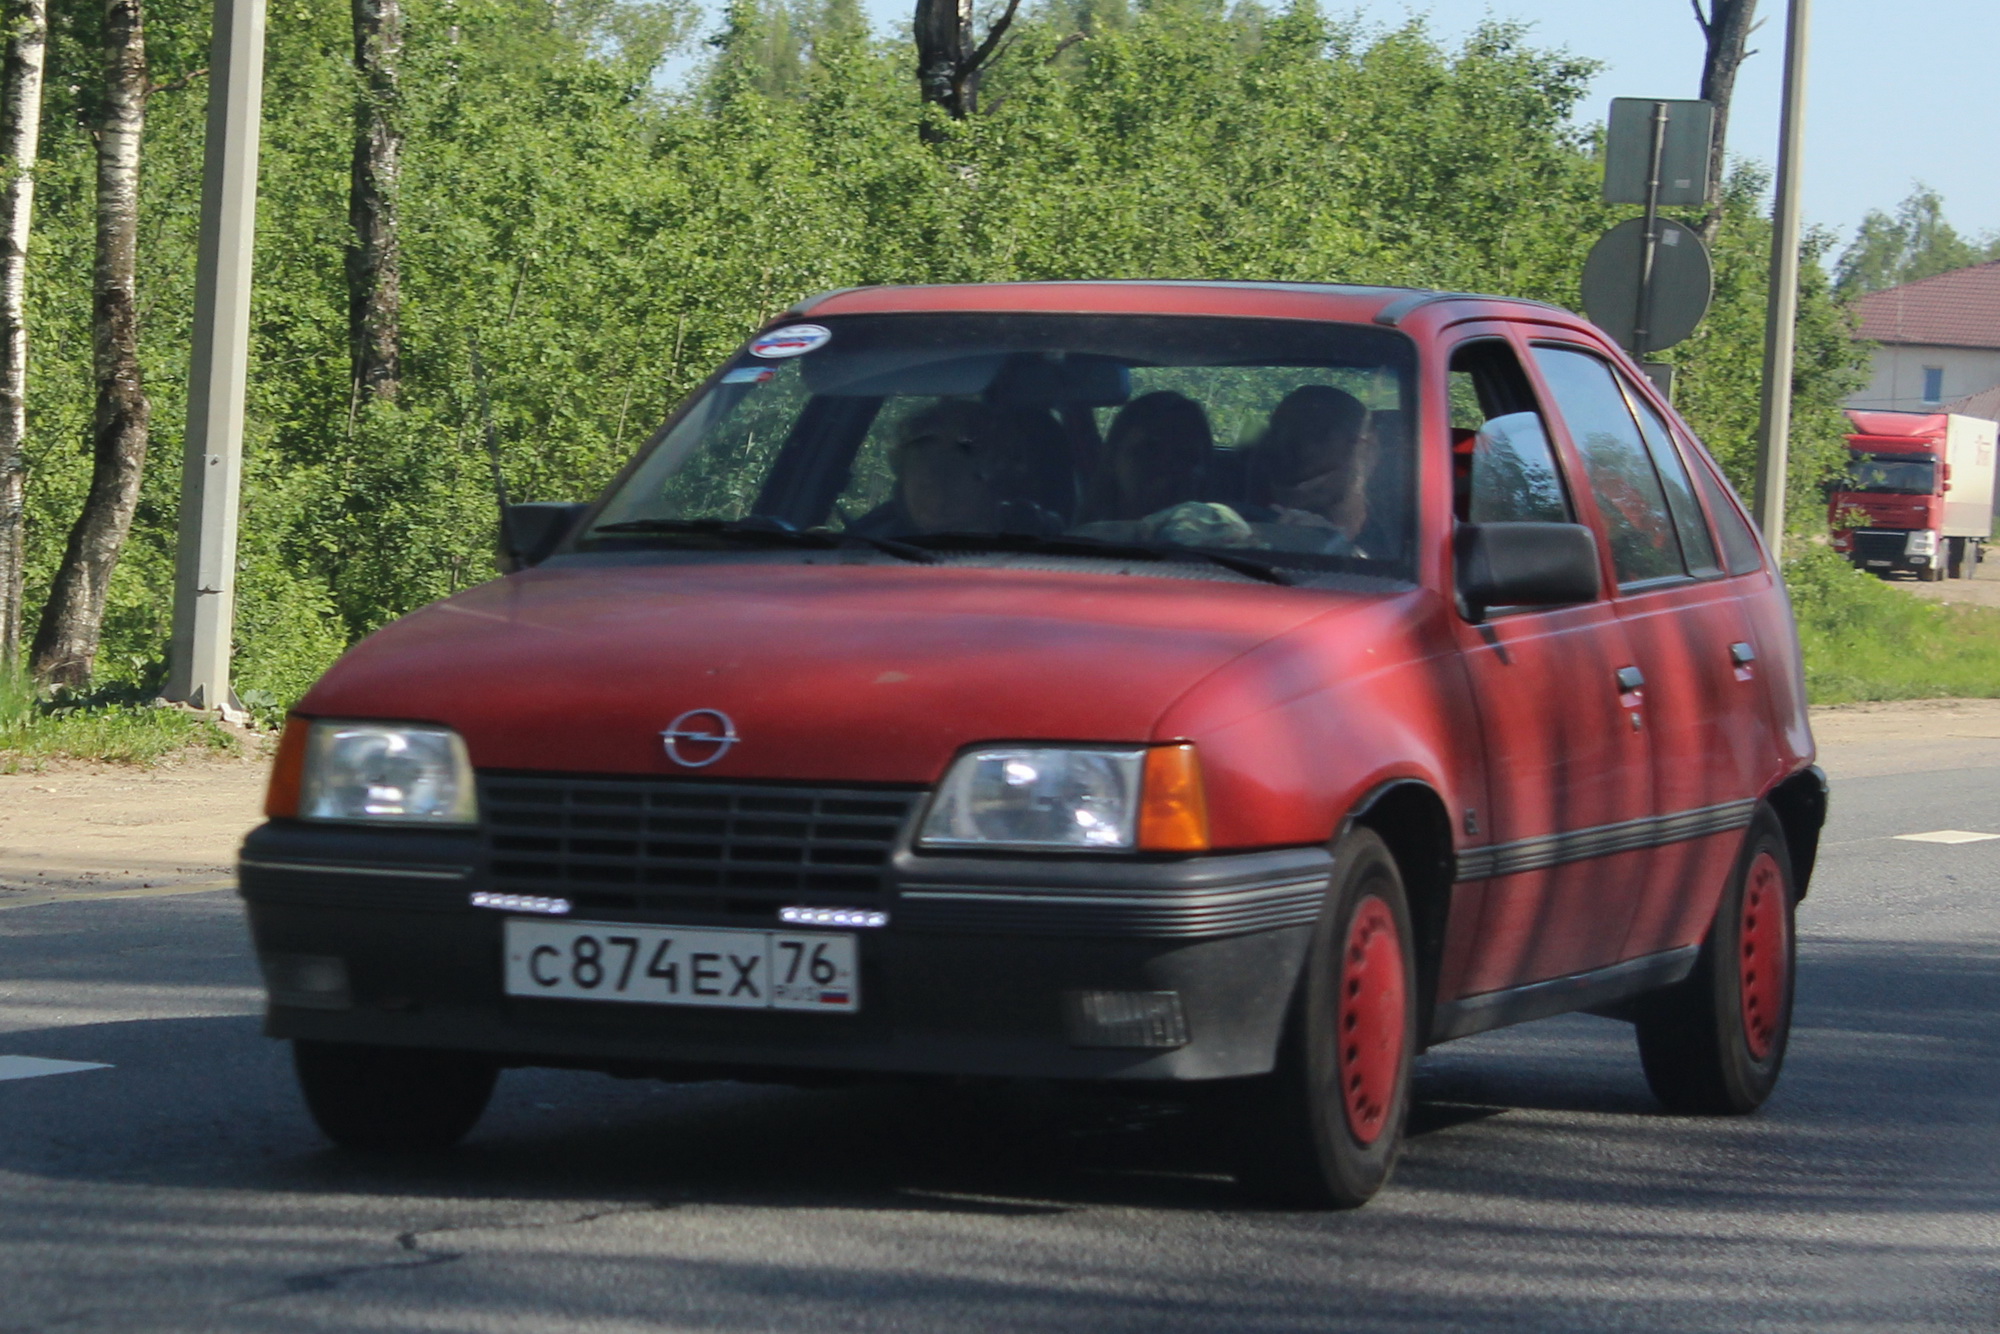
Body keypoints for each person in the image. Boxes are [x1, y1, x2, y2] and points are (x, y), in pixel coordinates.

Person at [870, 399, 1071, 535]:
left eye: (953, 480)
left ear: (994, 478)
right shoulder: (866, 546)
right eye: (924, 484)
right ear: (902, 482)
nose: (937, 500)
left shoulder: (1044, 546)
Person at [1245, 385, 1375, 553]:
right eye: (1278, 431)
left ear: (1365, 451)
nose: (1290, 447)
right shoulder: (1227, 529)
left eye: (1318, 434)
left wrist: (1333, 543)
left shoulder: (1401, 543)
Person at [1082, 391, 1214, 523]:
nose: (1167, 468)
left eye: (1185, 457)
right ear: (1111, 460)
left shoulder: (1221, 536)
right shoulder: (1084, 536)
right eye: (1149, 452)